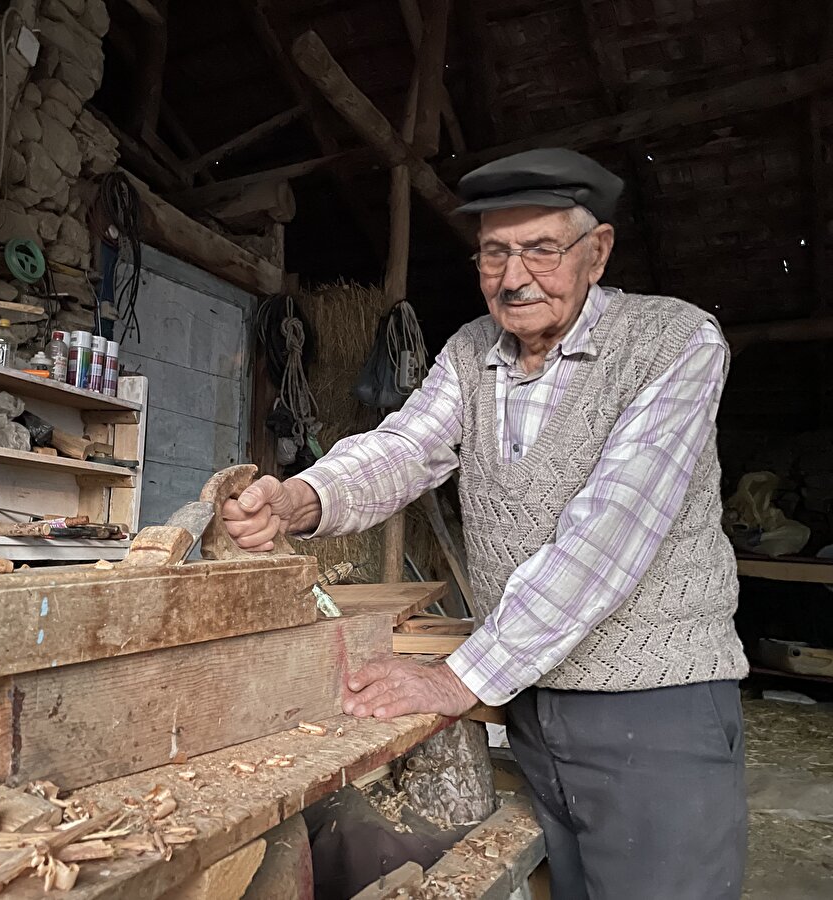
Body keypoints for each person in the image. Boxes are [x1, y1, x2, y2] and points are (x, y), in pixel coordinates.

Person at [222, 148, 748, 900]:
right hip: (534, 701)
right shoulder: (474, 351)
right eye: (495, 253)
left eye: (541, 248)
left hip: (655, 710)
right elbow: (404, 447)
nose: (513, 276)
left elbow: (607, 536)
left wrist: (454, 679)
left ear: (596, 252)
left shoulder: (673, 342)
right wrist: (301, 500)